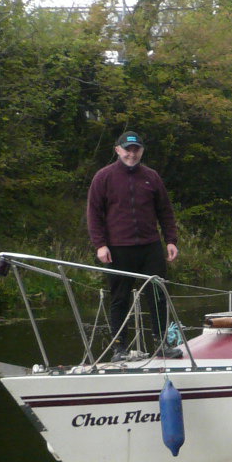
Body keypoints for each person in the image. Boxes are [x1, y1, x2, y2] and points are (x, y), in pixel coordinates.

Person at [86, 131, 179, 356]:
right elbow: (94, 213)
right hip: (118, 248)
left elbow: (165, 211)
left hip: (150, 246)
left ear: (142, 151)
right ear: (117, 150)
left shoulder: (152, 177)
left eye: (136, 149)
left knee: (157, 295)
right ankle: (119, 347)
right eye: (127, 149)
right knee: (119, 299)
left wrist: (171, 240)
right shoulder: (103, 177)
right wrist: (100, 244)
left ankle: (161, 344)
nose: (131, 153)